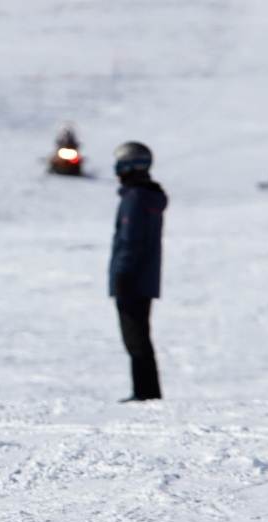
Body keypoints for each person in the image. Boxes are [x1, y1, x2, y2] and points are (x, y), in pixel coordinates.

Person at [109, 141, 166, 402]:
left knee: (135, 338)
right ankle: (147, 391)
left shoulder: (134, 198)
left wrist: (122, 275)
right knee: (140, 337)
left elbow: (130, 241)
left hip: (132, 279)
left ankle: (145, 393)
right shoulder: (148, 196)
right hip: (145, 278)